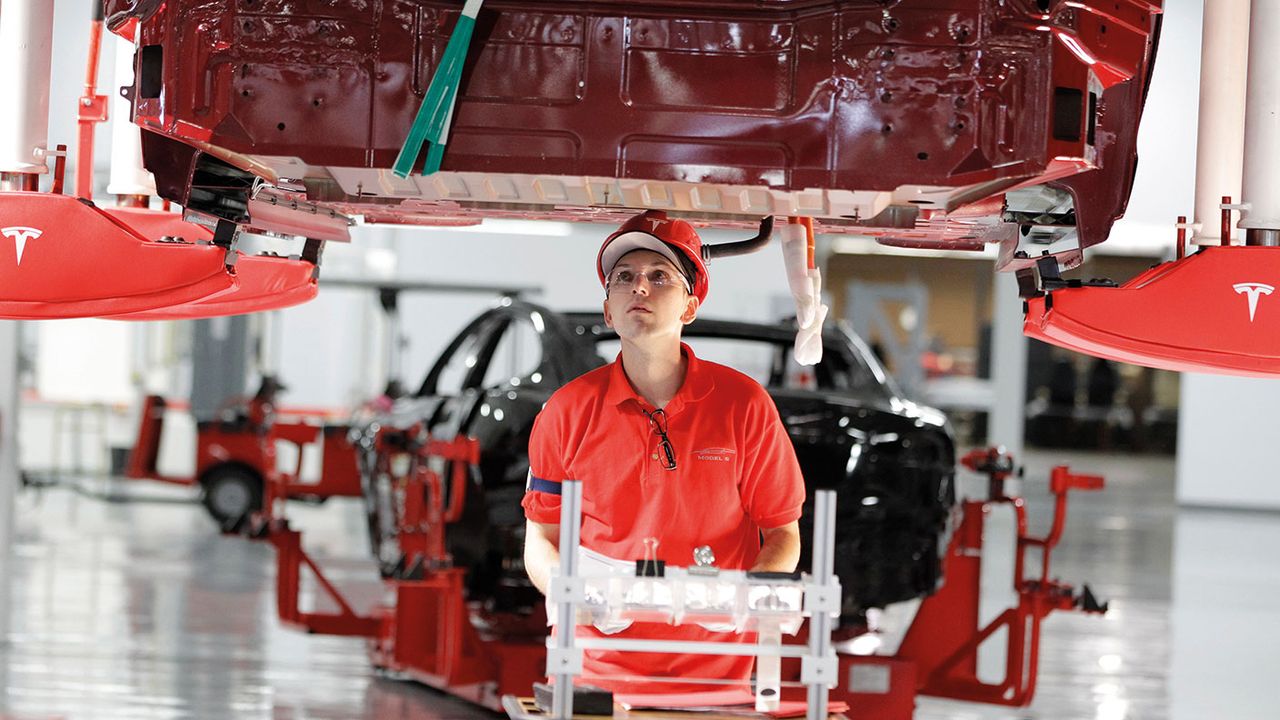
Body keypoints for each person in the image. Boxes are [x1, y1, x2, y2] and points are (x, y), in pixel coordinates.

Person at [521, 210, 807, 693]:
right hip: (594, 672)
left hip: (716, 673)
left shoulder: (744, 405)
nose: (640, 288)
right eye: (625, 278)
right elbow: (540, 540)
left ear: (690, 307)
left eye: (660, 277)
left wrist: (741, 599)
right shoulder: (565, 412)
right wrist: (573, 594)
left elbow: (783, 533)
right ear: (608, 309)